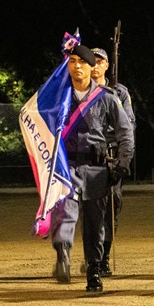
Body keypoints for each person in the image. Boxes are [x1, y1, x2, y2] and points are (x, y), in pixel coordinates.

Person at [49, 44, 134, 293]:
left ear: (91, 67)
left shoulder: (107, 97)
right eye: (72, 61)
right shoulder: (57, 98)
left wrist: (122, 163)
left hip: (97, 169)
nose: (77, 66)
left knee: (95, 223)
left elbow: (125, 133)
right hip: (67, 167)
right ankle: (63, 252)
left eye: (82, 62)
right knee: (65, 212)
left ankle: (94, 269)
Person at [90, 47, 136, 277]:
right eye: (92, 61)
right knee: (89, 209)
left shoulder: (119, 92)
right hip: (88, 156)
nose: (95, 65)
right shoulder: (79, 92)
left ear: (107, 65)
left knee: (111, 207)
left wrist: (123, 159)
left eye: (100, 61)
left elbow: (129, 125)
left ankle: (103, 257)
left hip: (112, 154)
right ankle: (91, 258)